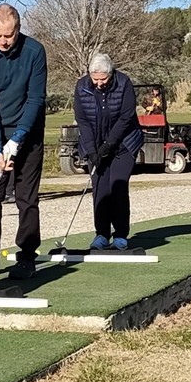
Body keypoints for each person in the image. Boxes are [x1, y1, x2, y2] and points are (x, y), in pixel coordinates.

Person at [0, 4, 47, 279]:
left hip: (29, 133)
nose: (3, 42)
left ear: (18, 29)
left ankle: (27, 255)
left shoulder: (35, 52)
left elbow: (36, 99)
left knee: (27, 198)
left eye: (9, 35)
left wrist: (17, 140)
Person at [73, 53, 144, 250]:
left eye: (103, 79)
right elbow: (83, 121)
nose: (99, 83)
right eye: (95, 79)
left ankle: (120, 235)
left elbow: (126, 117)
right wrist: (92, 151)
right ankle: (101, 234)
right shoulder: (82, 86)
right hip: (94, 144)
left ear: (111, 74)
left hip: (124, 144)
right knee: (100, 190)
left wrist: (108, 145)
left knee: (118, 187)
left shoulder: (123, 83)